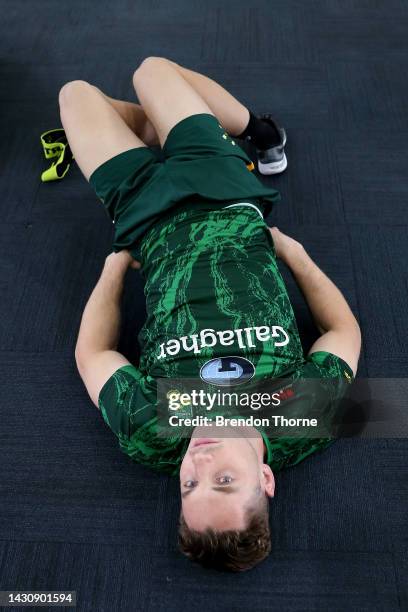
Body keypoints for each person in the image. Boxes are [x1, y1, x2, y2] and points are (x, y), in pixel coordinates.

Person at [67, 57, 361, 572]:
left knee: (75, 94)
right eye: (223, 480)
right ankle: (259, 131)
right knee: (151, 70)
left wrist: (114, 268)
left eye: (188, 484)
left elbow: (94, 354)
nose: (199, 462)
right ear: (265, 480)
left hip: (144, 217)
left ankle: (156, 130)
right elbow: (342, 332)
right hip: (227, 197)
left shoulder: (149, 433)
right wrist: (293, 253)